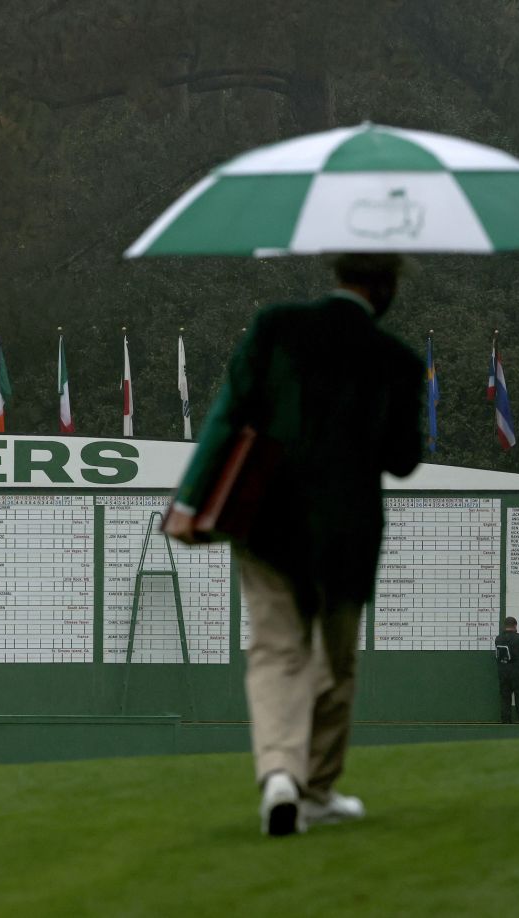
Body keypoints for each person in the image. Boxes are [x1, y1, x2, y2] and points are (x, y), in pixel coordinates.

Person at [164, 252, 423, 835]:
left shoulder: (276, 327)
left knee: (277, 650)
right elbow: (404, 460)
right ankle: (316, 789)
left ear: (336, 271)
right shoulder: (397, 362)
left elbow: (229, 414)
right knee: (336, 663)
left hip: (266, 518)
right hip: (347, 531)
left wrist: (189, 499)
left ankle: (279, 774)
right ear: (386, 291)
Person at [494, 616, 519, 724]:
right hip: (518, 673)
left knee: (505, 698)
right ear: (515, 626)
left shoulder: (498, 638)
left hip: (504, 672)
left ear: (505, 626)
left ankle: (505, 721)